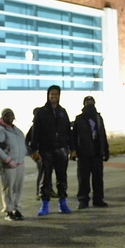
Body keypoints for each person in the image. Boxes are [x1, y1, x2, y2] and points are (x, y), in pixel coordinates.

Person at [29, 85, 74, 215]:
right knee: (46, 179)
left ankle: (63, 203)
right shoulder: (41, 112)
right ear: (48, 95)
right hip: (45, 150)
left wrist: (72, 148)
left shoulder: (62, 112)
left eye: (56, 94)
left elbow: (67, 131)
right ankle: (44, 205)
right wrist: (34, 150)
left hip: (61, 150)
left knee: (62, 177)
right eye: (51, 94)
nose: (54, 96)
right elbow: (35, 132)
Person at [71, 96, 110, 209]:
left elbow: (103, 133)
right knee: (83, 179)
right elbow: (74, 136)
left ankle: (98, 199)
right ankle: (83, 200)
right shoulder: (79, 119)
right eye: (88, 103)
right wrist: (73, 150)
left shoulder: (98, 118)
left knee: (98, 178)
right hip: (83, 154)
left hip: (97, 153)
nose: (90, 105)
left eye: (92, 103)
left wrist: (105, 150)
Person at [0, 108, 28, 221]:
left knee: (18, 188)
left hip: (19, 163)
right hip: (8, 165)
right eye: (7, 115)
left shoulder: (16, 130)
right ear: (3, 117)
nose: (10, 117)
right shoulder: (0, 131)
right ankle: (8, 210)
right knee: (8, 189)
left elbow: (23, 145)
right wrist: (7, 159)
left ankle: (16, 208)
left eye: (12, 115)